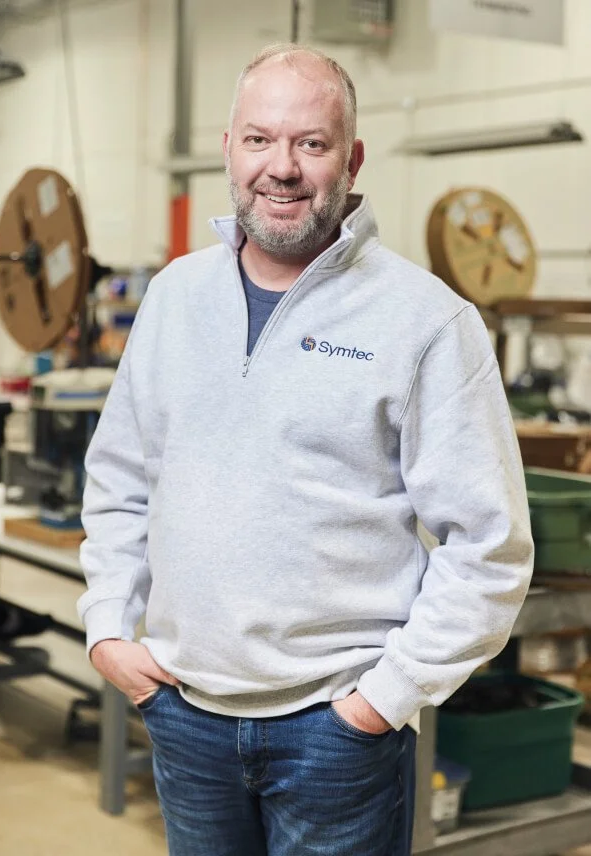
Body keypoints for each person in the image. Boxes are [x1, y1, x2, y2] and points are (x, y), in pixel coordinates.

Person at [77, 44, 534, 856]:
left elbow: (489, 549)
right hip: (186, 713)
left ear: (351, 160)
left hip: (336, 734)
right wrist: (109, 625)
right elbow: (119, 481)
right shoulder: (175, 298)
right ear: (228, 149)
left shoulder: (427, 321)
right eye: (259, 139)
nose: (280, 167)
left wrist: (382, 700)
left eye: (310, 144)